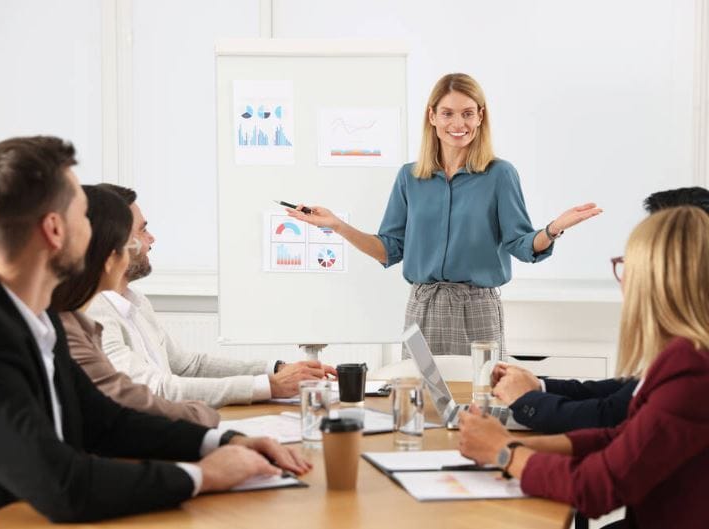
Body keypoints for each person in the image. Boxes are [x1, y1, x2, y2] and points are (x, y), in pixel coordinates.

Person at [0, 136, 310, 525]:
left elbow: (105, 422)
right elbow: (63, 484)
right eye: (84, 217)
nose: (99, 235)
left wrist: (221, 441)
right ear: (55, 230)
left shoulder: (37, 315)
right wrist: (204, 476)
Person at [287, 73, 601, 358]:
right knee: (421, 397)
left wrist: (553, 229)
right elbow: (389, 250)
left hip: (477, 309)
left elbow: (520, 244)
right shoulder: (410, 177)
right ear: (432, 116)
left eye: (468, 113)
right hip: (422, 307)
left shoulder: (500, 175)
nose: (458, 123)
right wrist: (337, 225)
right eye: (448, 113)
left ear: (480, 117)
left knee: (480, 395)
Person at [457, 206, 709, 529]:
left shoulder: (692, 373)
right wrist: (506, 444)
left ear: (659, 282)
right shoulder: (685, 357)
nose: (622, 280)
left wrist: (505, 452)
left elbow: (596, 488)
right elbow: (618, 438)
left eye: (627, 267)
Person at [85, 184, 337, 409]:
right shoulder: (93, 313)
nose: (151, 238)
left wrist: (276, 370)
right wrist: (269, 386)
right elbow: (156, 389)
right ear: (114, 244)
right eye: (142, 230)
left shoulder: (136, 302)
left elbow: (189, 366)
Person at [491, 186, 709, 434]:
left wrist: (524, 406)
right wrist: (538, 387)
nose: (628, 278)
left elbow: (610, 416)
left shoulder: (691, 358)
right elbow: (625, 393)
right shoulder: (687, 343)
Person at [51, 185, 219, 427]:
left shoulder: (78, 322)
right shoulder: (80, 320)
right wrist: (208, 422)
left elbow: (127, 402)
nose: (148, 241)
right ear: (110, 257)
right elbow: (137, 397)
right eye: (139, 234)